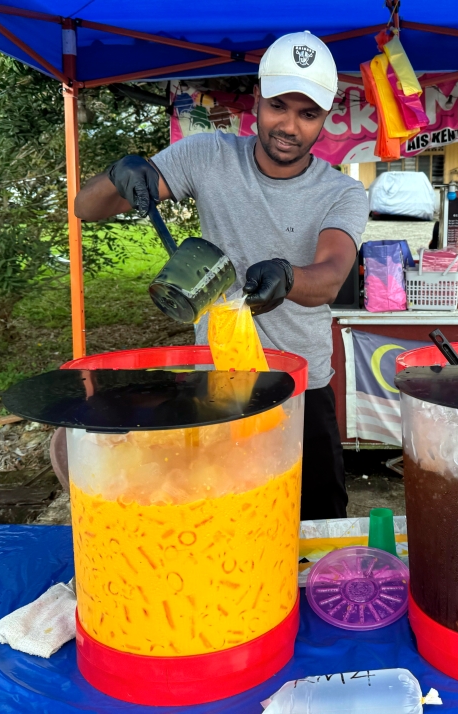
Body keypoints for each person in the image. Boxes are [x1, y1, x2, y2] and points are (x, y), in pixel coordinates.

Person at [74, 31, 368, 520]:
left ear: (325, 119)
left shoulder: (341, 192)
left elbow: (332, 275)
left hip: (301, 383)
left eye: (307, 113)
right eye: (279, 106)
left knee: (315, 522)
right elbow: (88, 207)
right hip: (219, 377)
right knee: (226, 512)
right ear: (257, 99)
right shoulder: (208, 155)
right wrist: (118, 173)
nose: (289, 126)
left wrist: (288, 278)